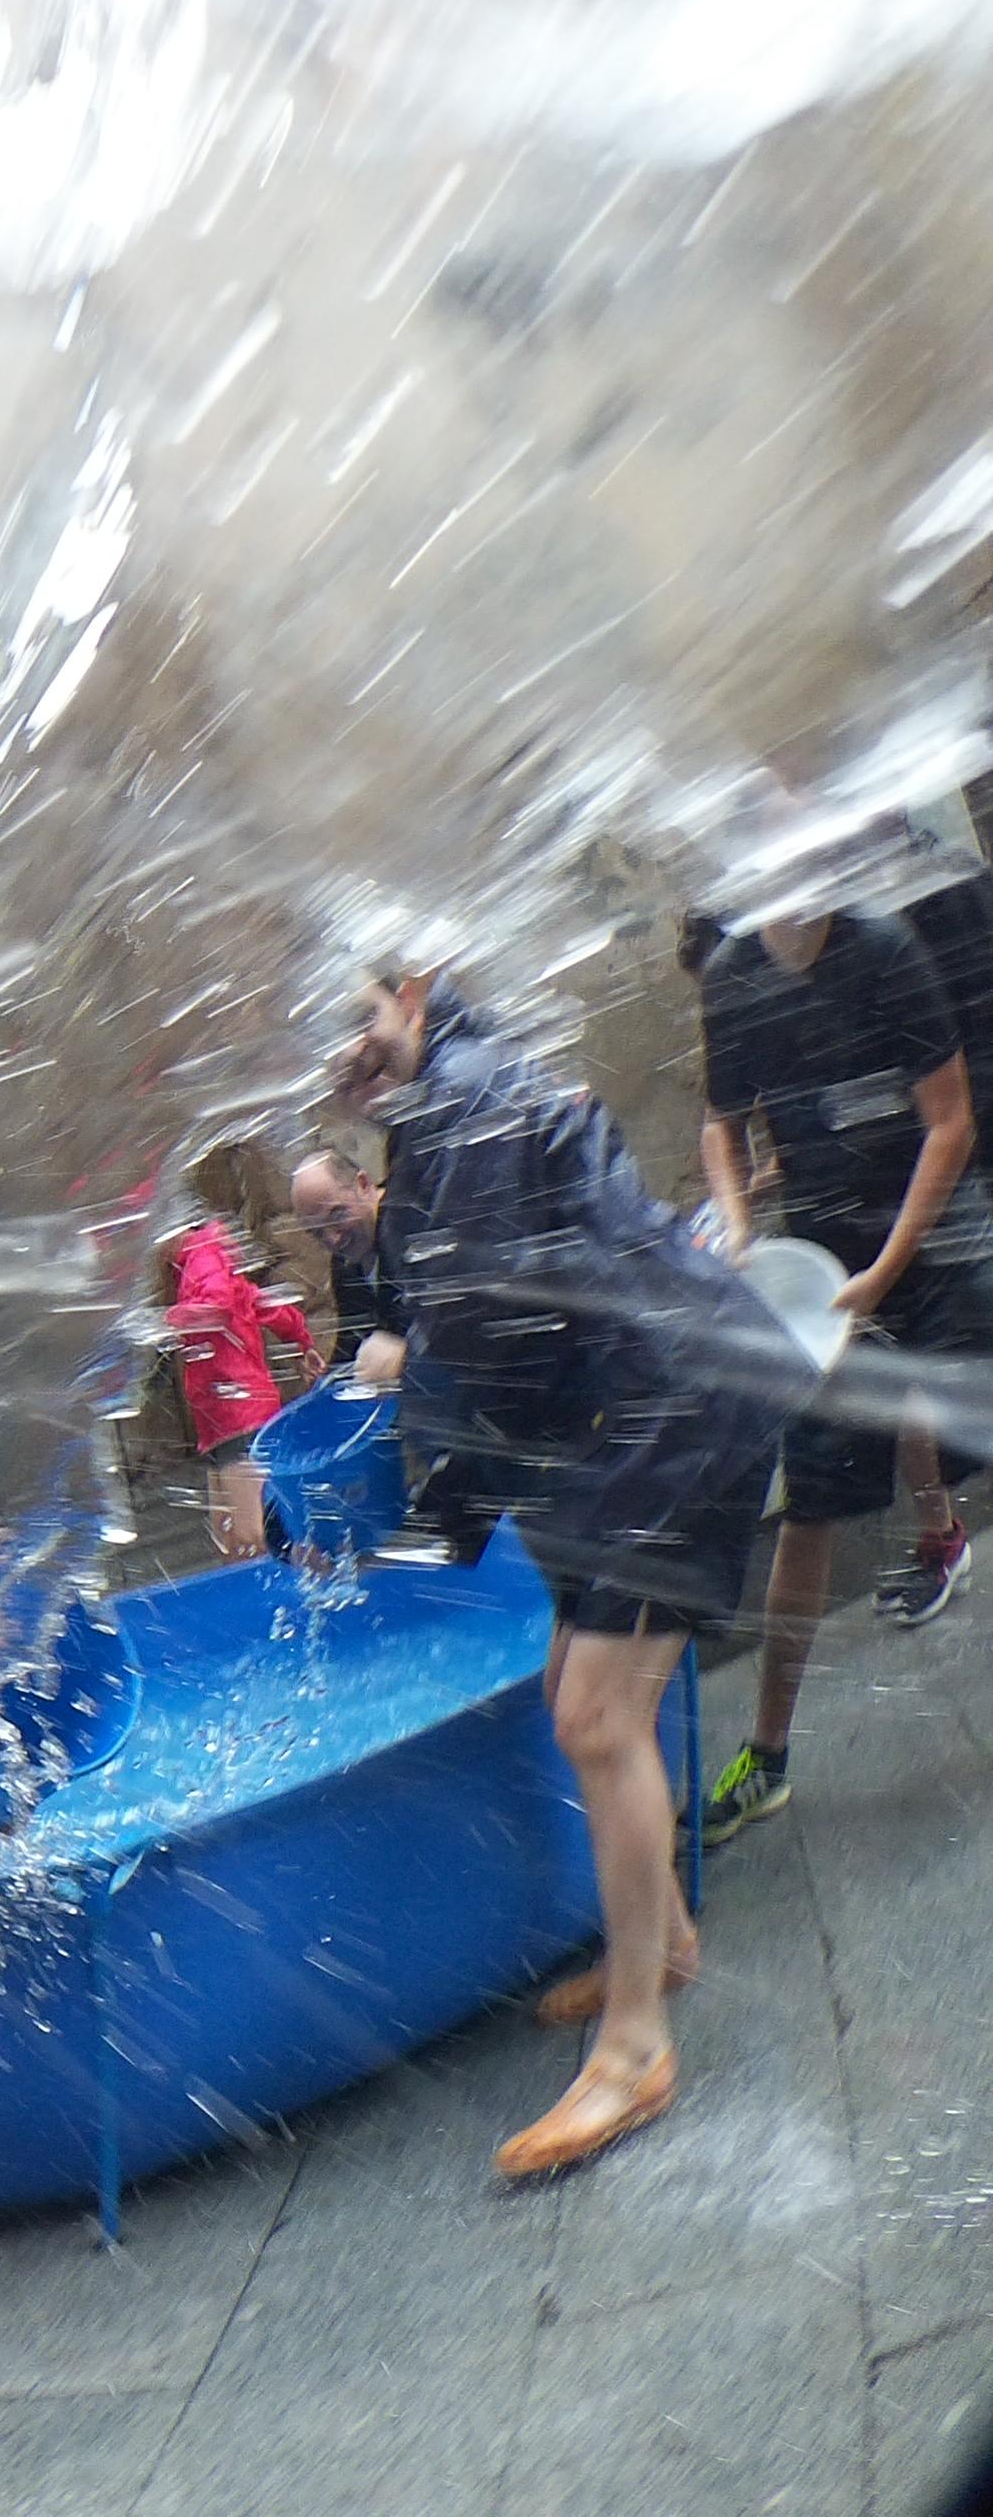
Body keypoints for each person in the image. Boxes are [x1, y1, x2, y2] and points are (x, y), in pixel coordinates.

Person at [331, 971, 805, 2179]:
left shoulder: (472, 1098)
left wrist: (406, 1382)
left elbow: (486, 1331)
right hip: (625, 1423)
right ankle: (669, 1940)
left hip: (679, 1405)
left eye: (358, 1019)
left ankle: (637, 2046)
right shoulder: (448, 1101)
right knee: (571, 1690)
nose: (342, 1051)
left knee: (600, 1716)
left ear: (414, 992)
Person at [694, 894, 993, 1838]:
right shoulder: (737, 978)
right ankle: (768, 1759)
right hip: (826, 1270)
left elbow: (951, 1121)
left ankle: (942, 1534)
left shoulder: (885, 947)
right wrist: (739, 1225)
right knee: (810, 1505)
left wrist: (890, 1269)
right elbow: (718, 1121)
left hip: (936, 1242)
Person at [160, 1140, 316, 1560]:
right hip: (227, 1417)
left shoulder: (200, 1254)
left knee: (251, 1536)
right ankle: (315, 1585)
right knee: (240, 1534)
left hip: (238, 1415)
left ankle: (311, 1598)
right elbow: (257, 1302)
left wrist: (169, 1321)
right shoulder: (208, 1257)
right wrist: (301, 1339)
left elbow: (221, 1304)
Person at [289, 1149, 410, 1390]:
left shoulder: (413, 1223)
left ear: (363, 1185)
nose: (333, 1240)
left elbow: (463, 1317)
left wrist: (410, 1356)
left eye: (337, 1216)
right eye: (317, 1233)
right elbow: (354, 1340)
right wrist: (329, 1374)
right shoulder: (345, 1264)